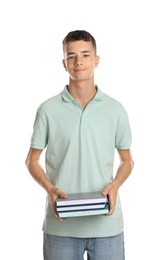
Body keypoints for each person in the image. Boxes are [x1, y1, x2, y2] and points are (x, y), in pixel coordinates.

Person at [25, 30, 134, 260]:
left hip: (106, 225)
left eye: (85, 55)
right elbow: (31, 160)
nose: (79, 62)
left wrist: (114, 186)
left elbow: (127, 160)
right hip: (61, 226)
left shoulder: (116, 110)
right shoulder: (47, 110)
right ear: (64, 63)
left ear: (96, 60)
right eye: (72, 56)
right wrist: (50, 189)